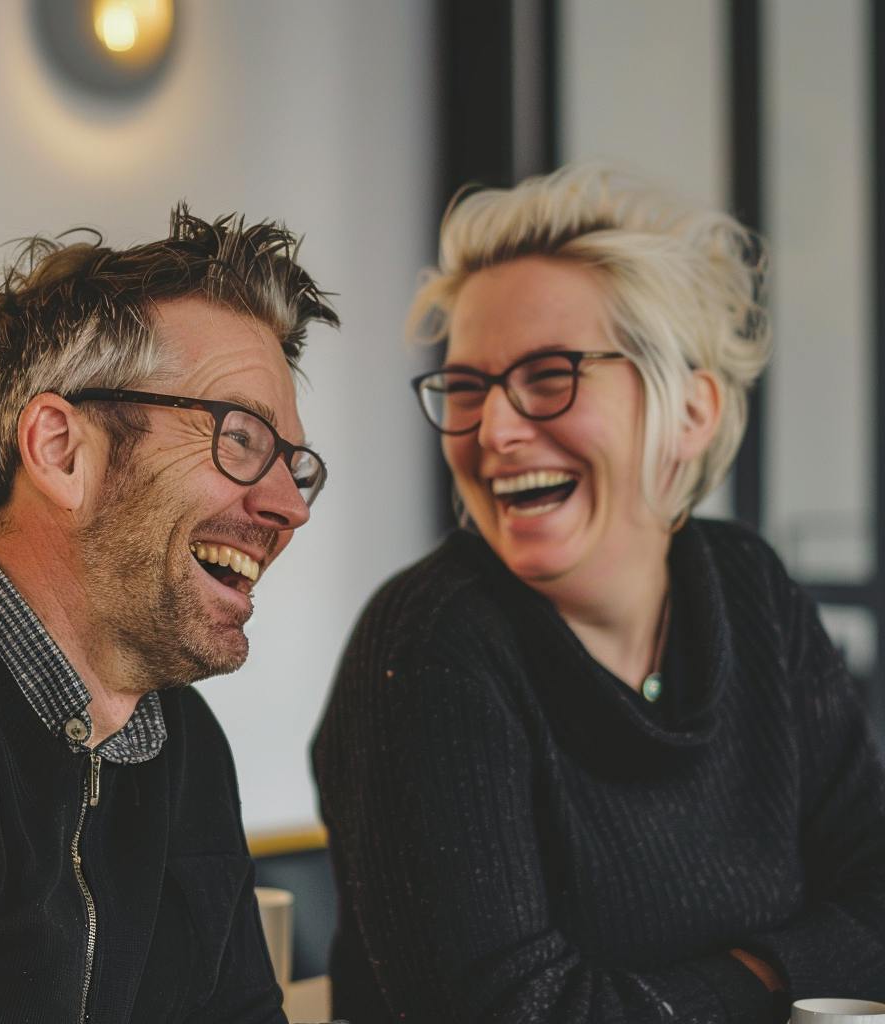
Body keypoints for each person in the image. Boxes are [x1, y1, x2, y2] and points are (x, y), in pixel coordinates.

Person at [313, 163, 885, 1022]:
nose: (496, 430)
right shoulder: (430, 645)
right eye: (466, 388)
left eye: (551, 376)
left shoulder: (750, 591)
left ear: (690, 412)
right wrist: (777, 979)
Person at [0, 204, 337, 1022]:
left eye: (297, 467)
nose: (290, 506)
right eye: (242, 439)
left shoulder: (185, 748)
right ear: (61, 451)